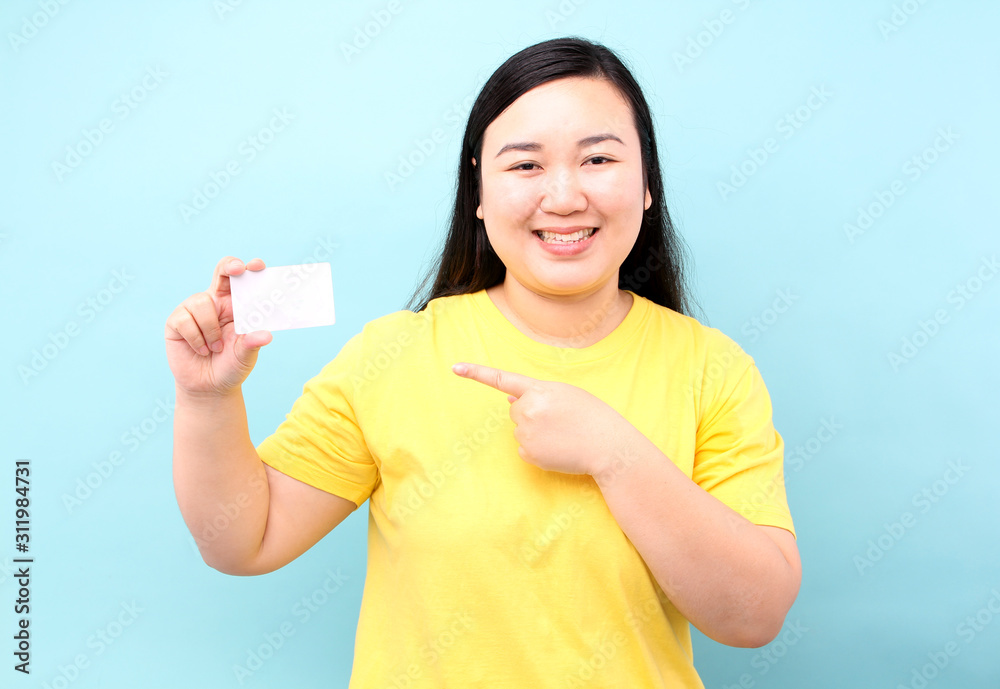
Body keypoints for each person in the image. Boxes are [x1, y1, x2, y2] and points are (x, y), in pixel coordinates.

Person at [167, 36, 800, 688]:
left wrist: (615, 453)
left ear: (646, 185)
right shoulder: (393, 356)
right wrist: (208, 399)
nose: (562, 196)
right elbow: (246, 537)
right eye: (525, 166)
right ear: (477, 190)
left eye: (599, 158)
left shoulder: (712, 370)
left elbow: (754, 615)